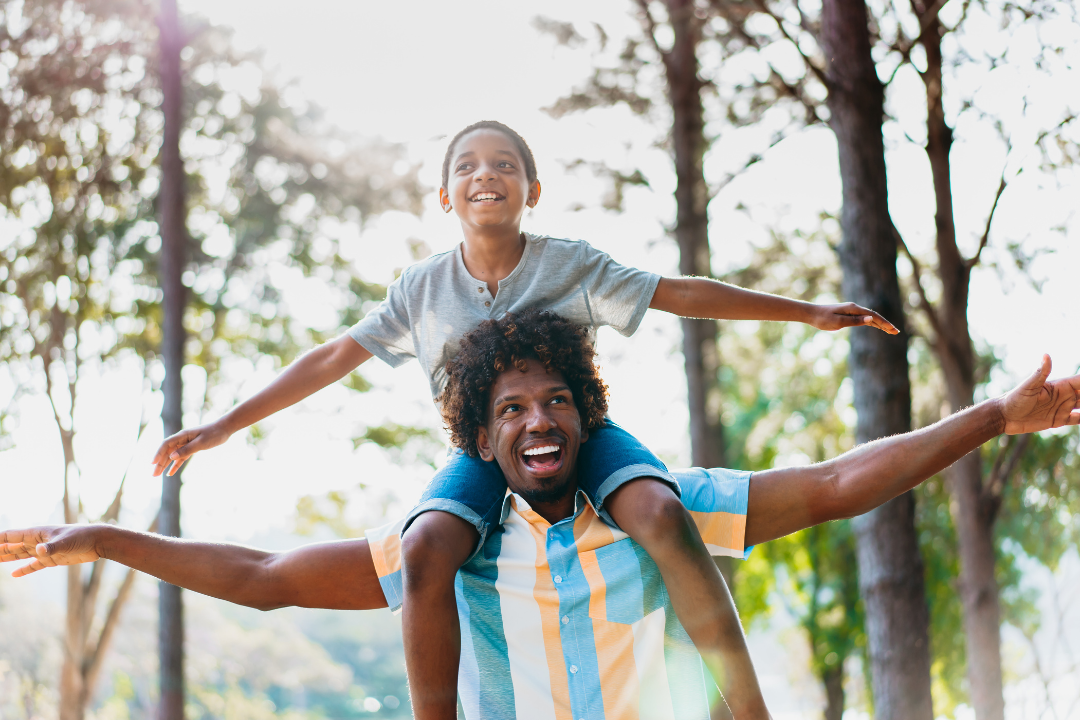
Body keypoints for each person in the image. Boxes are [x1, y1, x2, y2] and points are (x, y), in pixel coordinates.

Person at [146, 120, 898, 717]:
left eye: (504, 163)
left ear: (531, 188)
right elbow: (329, 357)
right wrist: (222, 425)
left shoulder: (569, 263)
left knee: (662, 514)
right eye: (468, 165)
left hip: (583, 440)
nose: (486, 174)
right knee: (426, 548)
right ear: (446, 197)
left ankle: (752, 711)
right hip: (482, 453)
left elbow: (682, 293)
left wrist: (806, 312)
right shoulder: (421, 287)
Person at [4, 309, 1079, 720]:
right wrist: (104, 538)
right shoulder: (458, 549)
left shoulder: (660, 506)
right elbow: (268, 576)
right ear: (480, 439)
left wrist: (992, 416)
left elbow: (841, 482)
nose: (536, 421)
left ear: (587, 415)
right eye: (510, 409)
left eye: (556, 400)